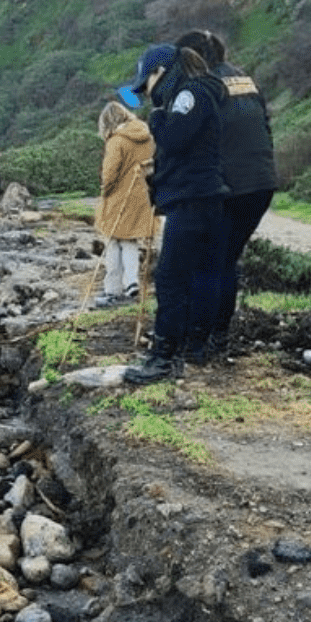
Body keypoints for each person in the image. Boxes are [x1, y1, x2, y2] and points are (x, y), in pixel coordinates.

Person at [121, 43, 228, 384]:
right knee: (198, 275)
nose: (146, 92)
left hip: (194, 199)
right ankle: (190, 348)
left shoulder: (189, 95)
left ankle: (164, 358)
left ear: (160, 73)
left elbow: (175, 140)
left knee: (170, 279)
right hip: (202, 197)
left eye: (146, 83)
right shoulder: (193, 93)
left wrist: (156, 119)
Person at [175, 29, 277, 360]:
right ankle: (218, 337)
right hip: (260, 182)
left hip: (225, 187)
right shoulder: (245, 82)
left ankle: (198, 344)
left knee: (206, 263)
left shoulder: (202, 88)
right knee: (226, 262)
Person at [94, 101, 157, 306]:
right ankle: (131, 282)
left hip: (119, 198)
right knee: (129, 240)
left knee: (112, 242)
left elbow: (109, 174)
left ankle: (112, 290)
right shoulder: (146, 136)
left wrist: (105, 191)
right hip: (140, 195)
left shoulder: (116, 141)